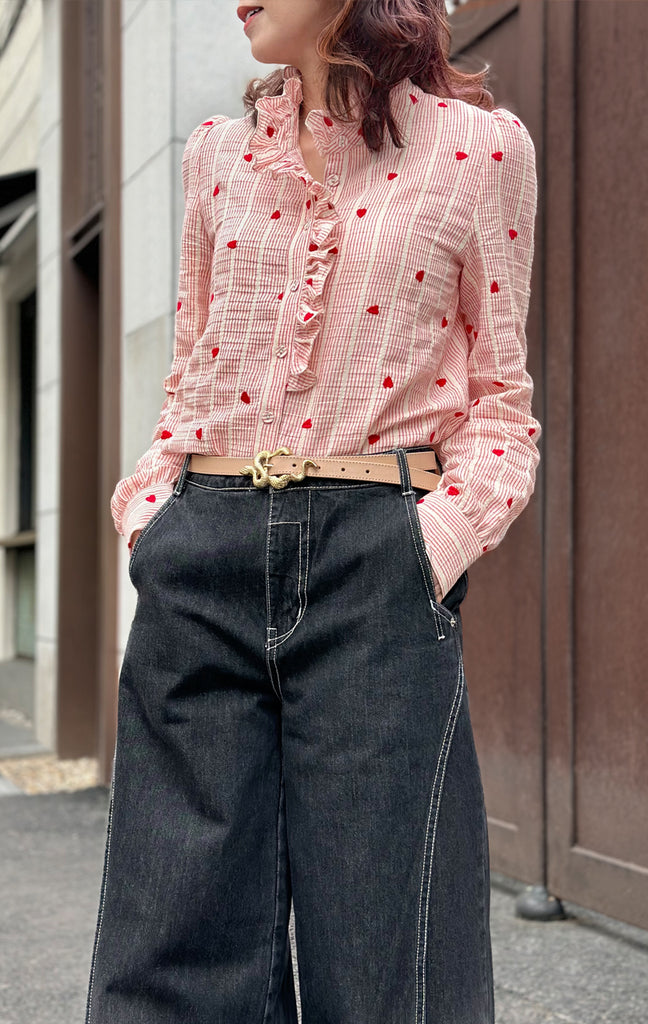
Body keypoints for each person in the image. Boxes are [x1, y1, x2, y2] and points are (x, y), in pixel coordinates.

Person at [85, 0, 540, 1020]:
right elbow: (188, 377)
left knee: (390, 955)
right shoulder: (215, 156)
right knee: (172, 948)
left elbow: (503, 406)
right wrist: (153, 515)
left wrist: (433, 543)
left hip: (375, 562)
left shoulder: (480, 152)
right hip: (203, 548)